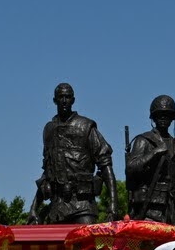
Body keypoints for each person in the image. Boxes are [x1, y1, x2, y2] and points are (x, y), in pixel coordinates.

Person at [29, 82, 116, 224]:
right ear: (54, 100)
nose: (64, 101)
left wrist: (113, 205)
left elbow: (105, 165)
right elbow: (47, 172)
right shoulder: (49, 130)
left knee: (88, 238)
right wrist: (34, 208)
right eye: (61, 97)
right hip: (57, 209)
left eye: (68, 97)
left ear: (73, 100)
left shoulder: (86, 126)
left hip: (83, 207)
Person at [124, 95, 175, 230]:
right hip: (148, 209)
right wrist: (154, 153)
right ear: (153, 117)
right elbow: (130, 168)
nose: (163, 118)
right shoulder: (144, 140)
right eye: (160, 114)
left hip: (172, 210)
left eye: (167, 115)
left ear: (172, 118)